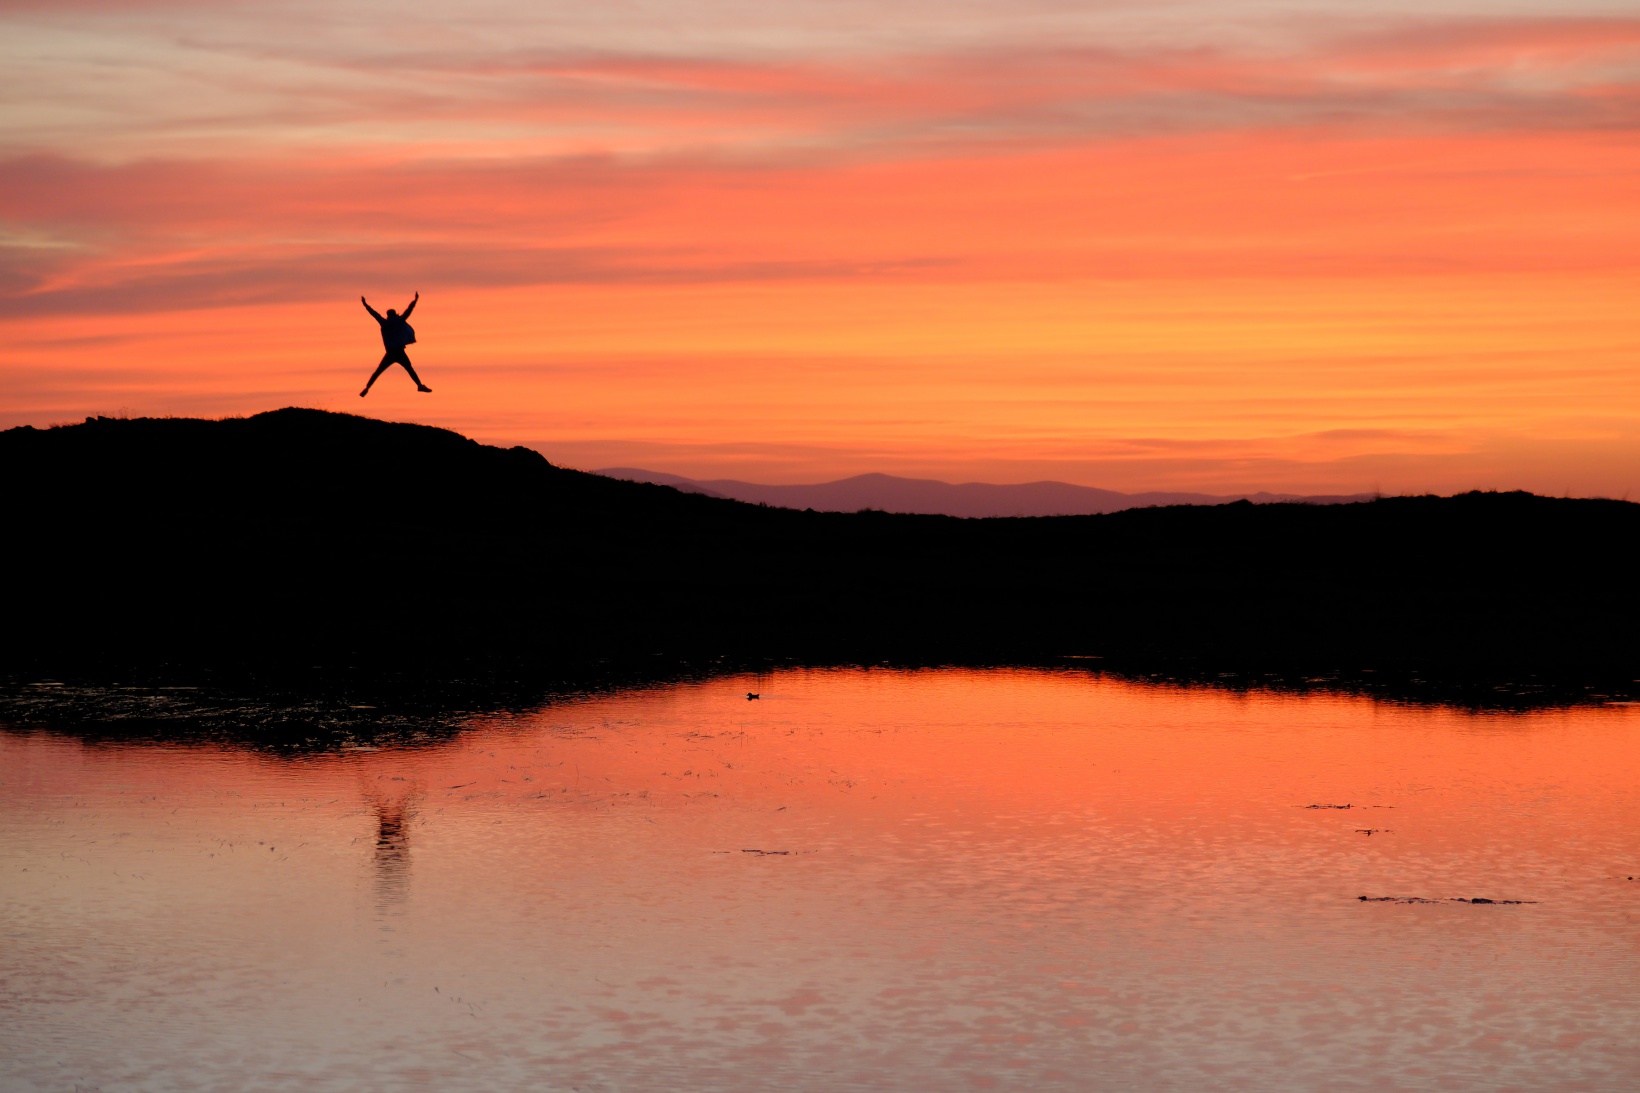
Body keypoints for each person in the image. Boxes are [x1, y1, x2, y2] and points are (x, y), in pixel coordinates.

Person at [359, 292, 431, 396]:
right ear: (395, 314)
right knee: (409, 369)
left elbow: (374, 313)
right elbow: (408, 311)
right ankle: (419, 385)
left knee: (378, 371)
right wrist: (415, 300)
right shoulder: (400, 321)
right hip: (399, 352)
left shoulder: (384, 323)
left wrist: (365, 304)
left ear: (388, 315)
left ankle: (367, 388)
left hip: (390, 353)